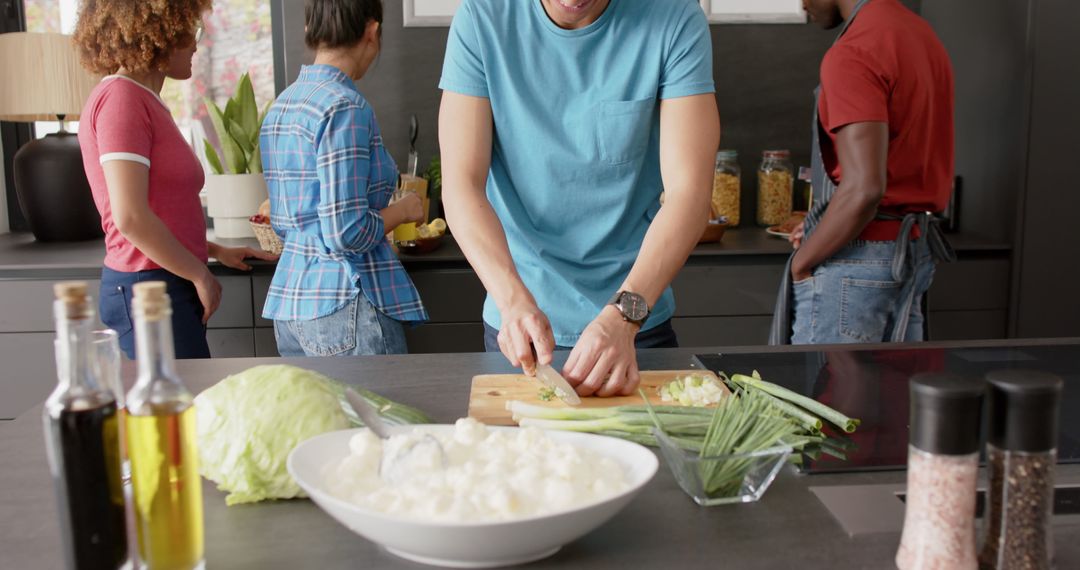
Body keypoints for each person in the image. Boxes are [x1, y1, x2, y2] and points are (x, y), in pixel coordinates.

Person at [439, 0, 718, 398]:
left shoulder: (673, 17)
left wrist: (624, 317)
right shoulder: (483, 18)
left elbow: (689, 193)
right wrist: (512, 301)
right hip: (521, 328)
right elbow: (462, 185)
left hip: (636, 325)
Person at [74, 0, 277, 359]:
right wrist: (200, 274)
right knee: (177, 408)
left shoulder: (143, 100)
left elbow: (161, 208)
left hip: (163, 279)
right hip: (147, 286)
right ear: (157, 33)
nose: (196, 44)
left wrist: (214, 251)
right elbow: (131, 218)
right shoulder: (122, 99)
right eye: (189, 32)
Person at [769, 0, 956, 345]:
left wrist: (802, 263)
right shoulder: (920, 34)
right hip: (912, 252)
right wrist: (819, 225)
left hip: (857, 261)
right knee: (891, 397)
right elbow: (895, 168)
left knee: (823, 396)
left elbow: (864, 190)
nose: (801, 5)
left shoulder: (854, 51)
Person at [259, 0, 428, 357]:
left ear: (310, 31)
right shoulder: (345, 107)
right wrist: (404, 211)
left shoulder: (284, 105)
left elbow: (287, 221)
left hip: (292, 305)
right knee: (383, 414)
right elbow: (346, 232)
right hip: (344, 305)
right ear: (372, 31)